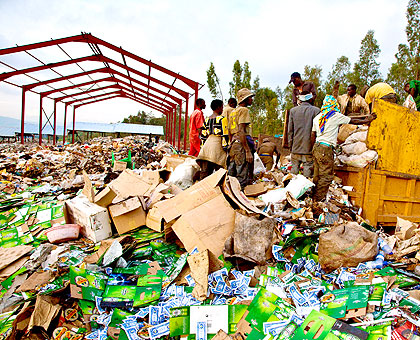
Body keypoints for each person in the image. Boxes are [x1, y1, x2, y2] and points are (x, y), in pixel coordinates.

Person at [311, 95, 376, 201]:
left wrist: (312, 151)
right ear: (333, 105)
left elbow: (312, 135)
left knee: (317, 175)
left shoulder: (318, 117)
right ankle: (318, 200)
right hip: (326, 149)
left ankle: (313, 196)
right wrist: (368, 118)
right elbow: (352, 121)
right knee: (326, 176)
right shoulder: (334, 115)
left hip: (317, 147)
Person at [227, 88, 255, 189]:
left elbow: (230, 131)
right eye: (250, 98)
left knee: (232, 172)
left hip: (234, 143)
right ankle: (240, 196)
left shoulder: (233, 112)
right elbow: (241, 130)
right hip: (242, 143)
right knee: (242, 174)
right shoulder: (244, 110)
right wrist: (247, 150)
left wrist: (232, 143)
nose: (252, 100)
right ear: (245, 99)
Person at [288, 91, 320, 177]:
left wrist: (291, 146)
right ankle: (306, 189)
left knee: (294, 171)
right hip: (309, 148)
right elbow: (318, 131)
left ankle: (291, 189)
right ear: (310, 99)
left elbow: (290, 131)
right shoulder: (316, 111)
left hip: (296, 147)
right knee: (307, 171)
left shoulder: (293, 111)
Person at [196, 99, 229, 180]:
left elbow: (203, 136)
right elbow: (225, 135)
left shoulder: (207, 120)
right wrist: (226, 148)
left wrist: (202, 147)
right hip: (217, 146)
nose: (222, 109)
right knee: (220, 172)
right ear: (218, 107)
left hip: (206, 147)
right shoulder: (222, 119)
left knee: (205, 174)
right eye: (222, 107)